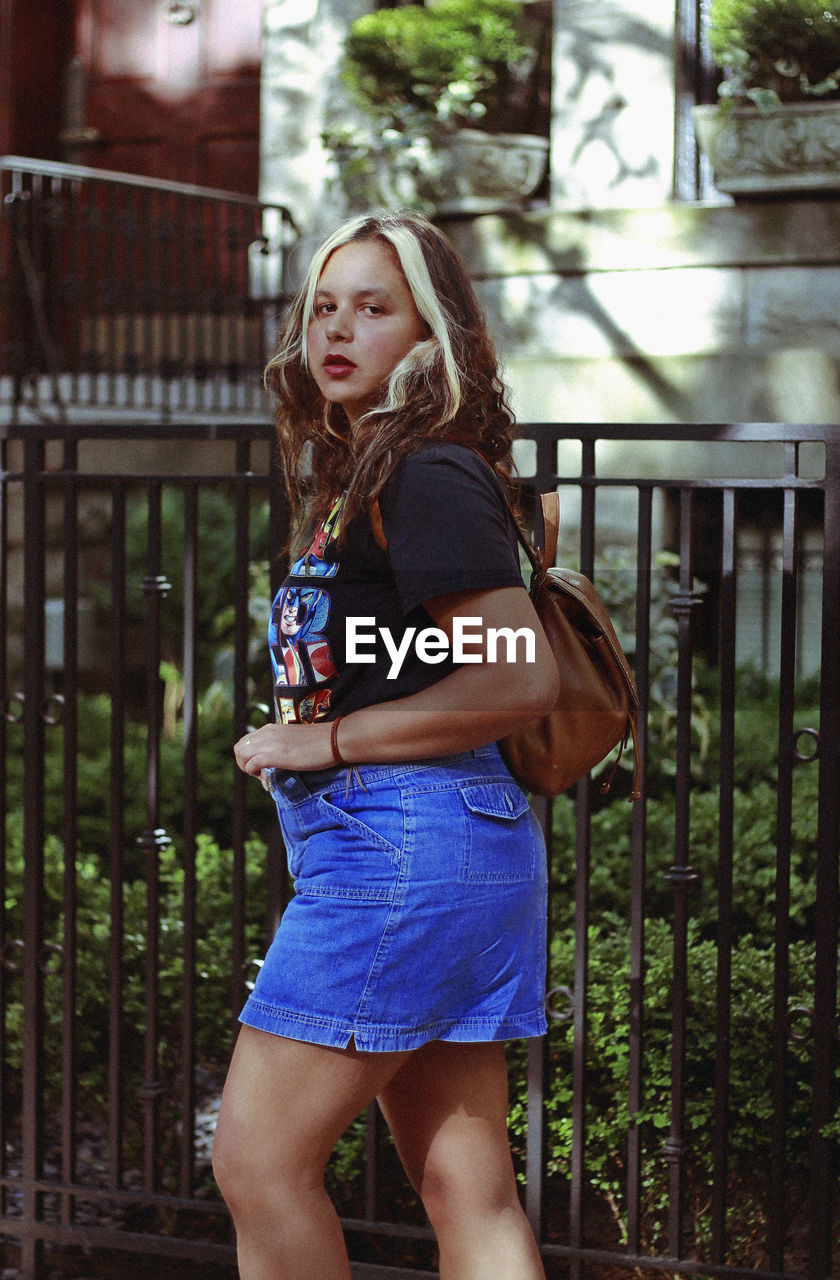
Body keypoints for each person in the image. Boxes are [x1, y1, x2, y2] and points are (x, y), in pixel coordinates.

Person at [212, 210, 559, 1280]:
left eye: (373, 306)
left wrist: (328, 738)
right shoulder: (376, 469)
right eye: (324, 306)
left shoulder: (423, 471)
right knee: (469, 1187)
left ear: (430, 330)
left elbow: (517, 673)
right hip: (450, 847)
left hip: (401, 843)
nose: (337, 328)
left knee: (257, 1162)